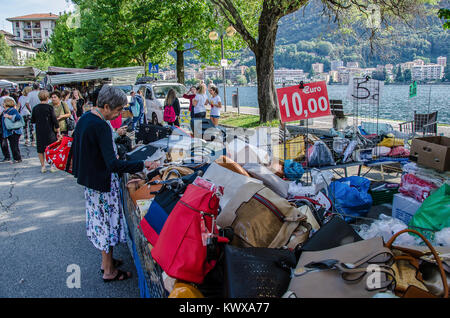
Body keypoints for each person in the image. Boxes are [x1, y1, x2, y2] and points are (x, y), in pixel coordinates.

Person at [71, 85, 159, 283]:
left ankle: (107, 262)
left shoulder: (86, 118)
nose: (120, 114)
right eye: (118, 110)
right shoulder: (101, 125)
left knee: (100, 224)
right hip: (102, 184)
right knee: (106, 225)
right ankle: (109, 271)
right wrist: (142, 164)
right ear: (106, 106)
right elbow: (112, 164)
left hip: (91, 182)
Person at [31, 90, 60, 173]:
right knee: (51, 148)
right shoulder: (50, 107)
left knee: (40, 149)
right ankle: (51, 165)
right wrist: (58, 130)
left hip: (39, 130)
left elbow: (33, 120)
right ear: (48, 98)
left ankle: (43, 166)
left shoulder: (35, 108)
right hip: (49, 131)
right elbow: (54, 120)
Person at [2, 97, 23, 163]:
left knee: (14, 145)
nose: (2, 104)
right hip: (9, 131)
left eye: (4, 102)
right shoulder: (4, 111)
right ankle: (16, 158)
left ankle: (17, 158)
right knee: (12, 145)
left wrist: (9, 116)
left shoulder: (12, 110)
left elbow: (18, 117)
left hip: (14, 131)